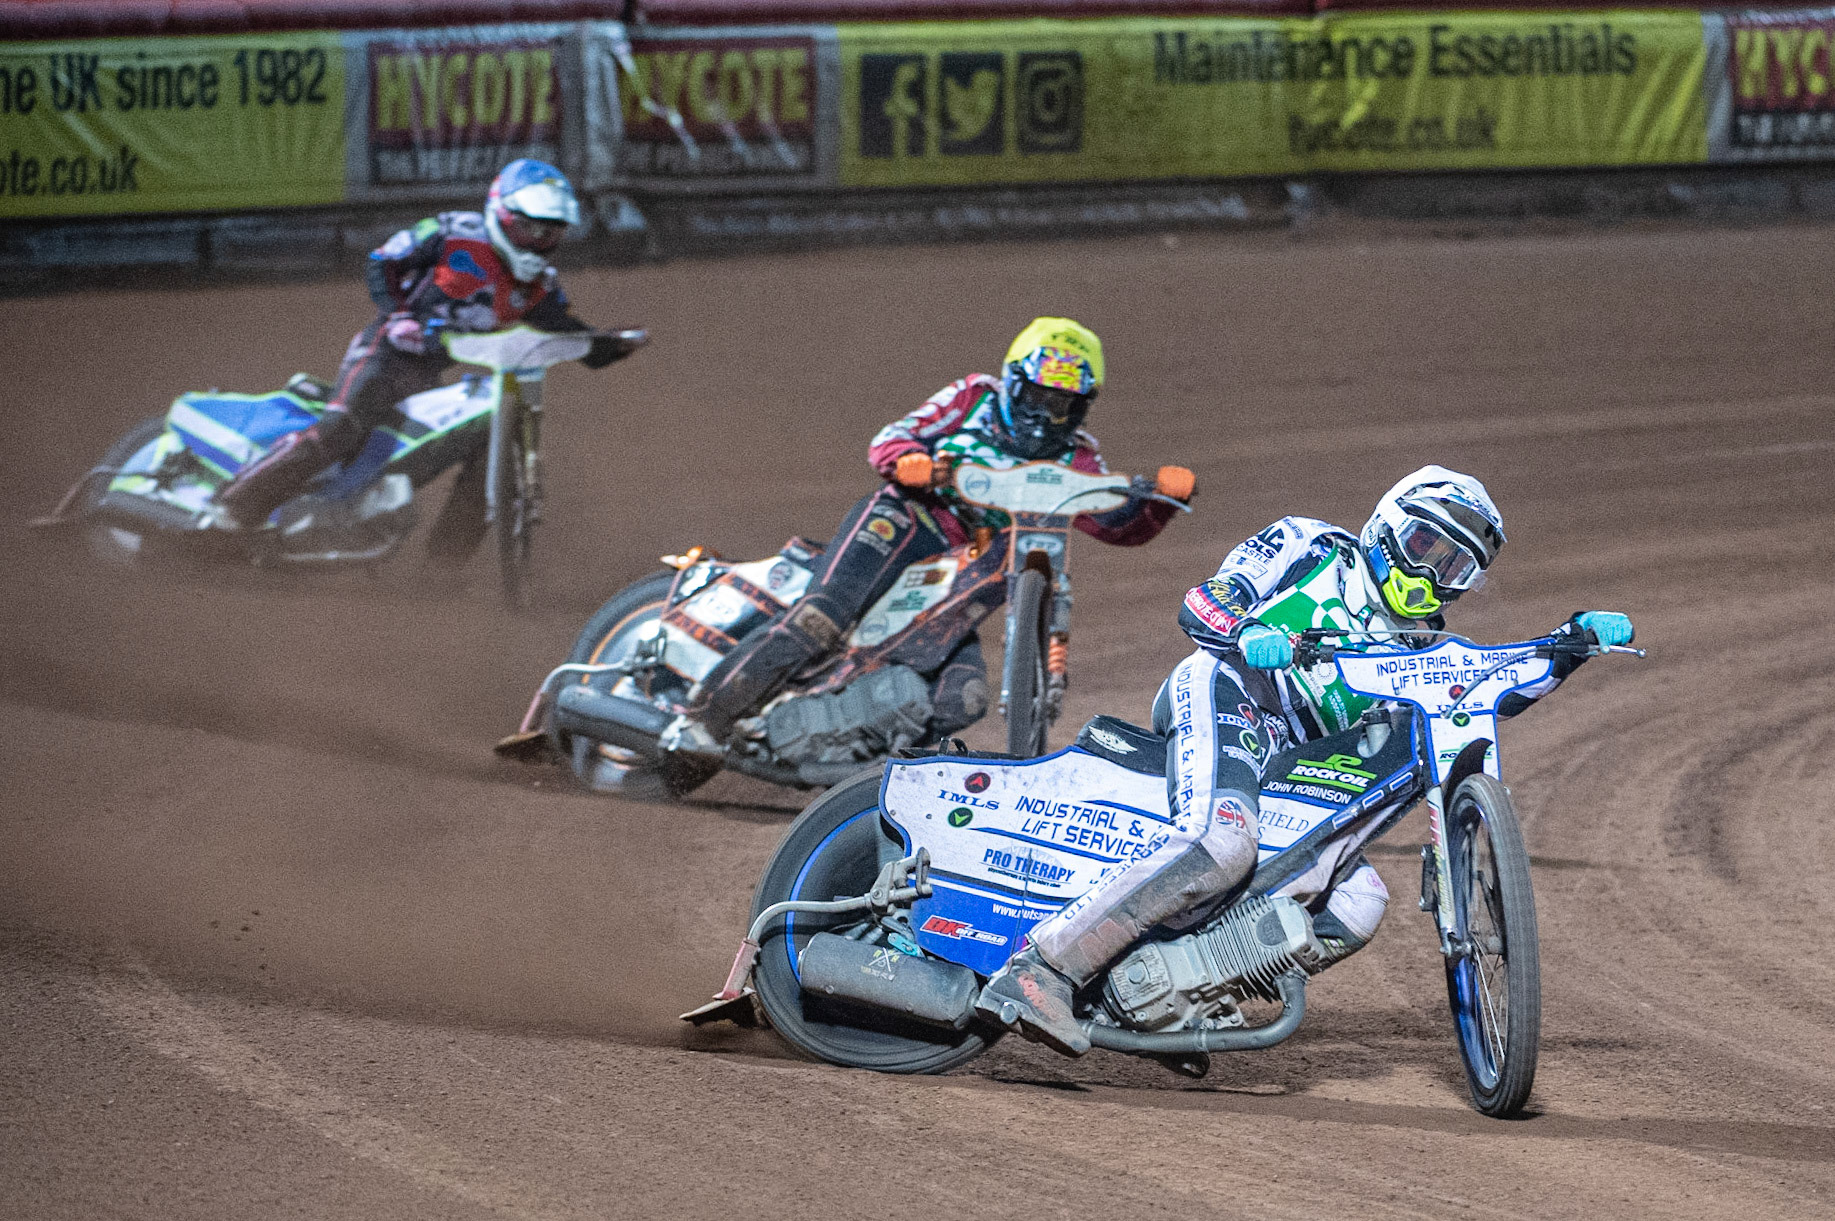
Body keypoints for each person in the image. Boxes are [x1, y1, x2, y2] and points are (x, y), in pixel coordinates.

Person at [977, 464, 1636, 1054]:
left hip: (1293, 766)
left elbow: (1494, 690)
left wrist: (1569, 645)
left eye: (1453, 567)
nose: (1431, 575)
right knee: (1224, 839)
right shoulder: (1309, 544)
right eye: (1423, 549)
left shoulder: (1425, 649)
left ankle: (1167, 997)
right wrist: (1248, 630)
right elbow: (1206, 598)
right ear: (1384, 529)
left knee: (1357, 902)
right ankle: (1041, 969)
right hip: (1228, 689)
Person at [660, 316, 1196, 757]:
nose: (1042, 413)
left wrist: (1161, 502)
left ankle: (860, 769)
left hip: (967, 570)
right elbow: (889, 441)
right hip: (907, 523)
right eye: (1034, 394)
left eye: (1059, 403)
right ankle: (702, 722)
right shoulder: (972, 398)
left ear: (1081, 405)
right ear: (1012, 381)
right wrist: (912, 463)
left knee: (959, 699)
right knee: (820, 617)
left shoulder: (1077, 456)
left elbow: (1110, 523)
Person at [215, 159, 636, 551]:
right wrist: (399, 315)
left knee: (484, 440)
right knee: (340, 430)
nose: (541, 241)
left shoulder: (540, 285)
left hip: (429, 374)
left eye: (552, 232)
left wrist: (613, 344)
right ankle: (233, 509)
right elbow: (383, 260)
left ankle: (443, 568)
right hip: (384, 353)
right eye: (531, 229)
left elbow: (568, 334)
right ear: (503, 214)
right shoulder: (454, 232)